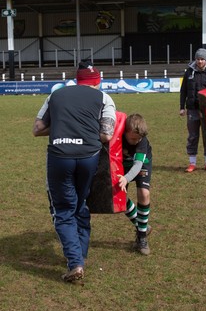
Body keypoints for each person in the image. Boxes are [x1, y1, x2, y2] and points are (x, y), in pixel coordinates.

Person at [33, 62, 116, 284]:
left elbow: (37, 128)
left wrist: (63, 128)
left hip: (60, 156)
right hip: (89, 157)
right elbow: (107, 135)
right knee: (81, 204)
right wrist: (84, 131)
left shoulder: (56, 95)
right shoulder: (104, 99)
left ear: (77, 80)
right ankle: (81, 254)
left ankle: (75, 262)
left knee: (63, 209)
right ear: (97, 81)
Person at [180, 48, 206, 173]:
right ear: (195, 59)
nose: (199, 61)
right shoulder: (189, 72)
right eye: (198, 59)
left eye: (202, 59)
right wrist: (182, 107)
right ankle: (192, 163)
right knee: (193, 136)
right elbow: (183, 91)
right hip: (192, 110)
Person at [118, 113, 152, 255]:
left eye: (138, 139)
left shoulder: (142, 142)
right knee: (119, 196)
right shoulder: (117, 135)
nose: (136, 141)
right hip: (122, 164)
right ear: (125, 131)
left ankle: (142, 237)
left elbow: (137, 165)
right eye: (133, 138)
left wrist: (126, 179)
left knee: (144, 193)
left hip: (141, 164)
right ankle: (142, 225)